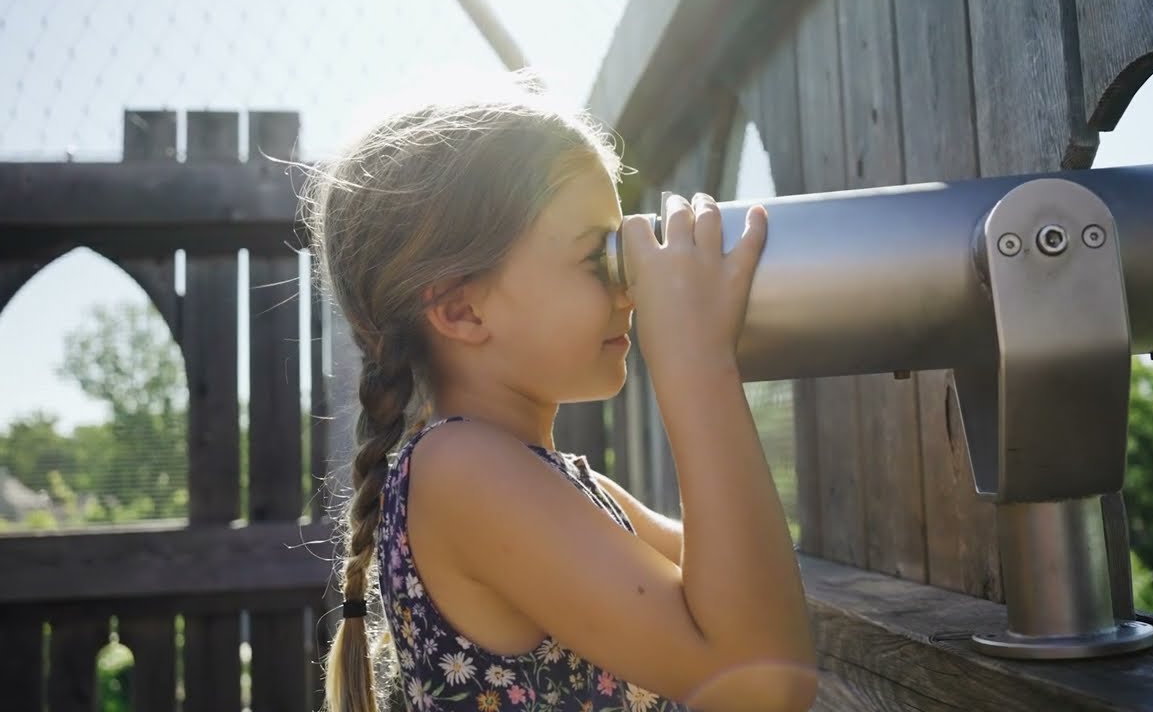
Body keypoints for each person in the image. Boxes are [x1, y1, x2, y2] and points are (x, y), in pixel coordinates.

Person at [304, 75, 816, 712]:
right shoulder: (461, 470)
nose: (630, 290)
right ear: (462, 310)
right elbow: (763, 679)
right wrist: (696, 362)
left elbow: (748, 588)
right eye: (594, 259)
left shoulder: (546, 482)